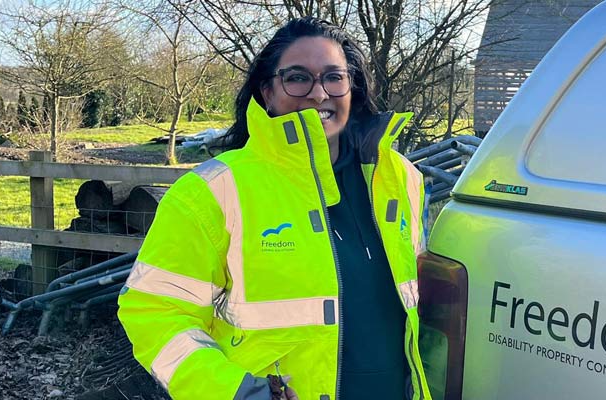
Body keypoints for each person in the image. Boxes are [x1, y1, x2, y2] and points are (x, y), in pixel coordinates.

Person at [118, 17, 431, 400]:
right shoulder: (214, 190)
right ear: (267, 92)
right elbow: (154, 313)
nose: (319, 94)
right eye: (298, 78)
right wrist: (238, 393)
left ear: (353, 86)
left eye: (334, 77)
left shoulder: (400, 177)